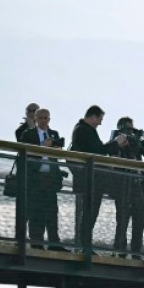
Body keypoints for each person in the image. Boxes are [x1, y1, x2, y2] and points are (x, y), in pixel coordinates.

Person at [70, 105, 128, 250]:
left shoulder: (86, 130)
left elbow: (98, 150)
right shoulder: (83, 130)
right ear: (93, 117)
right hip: (91, 180)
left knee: (90, 214)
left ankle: (85, 246)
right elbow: (97, 151)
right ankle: (84, 246)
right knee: (89, 214)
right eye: (100, 119)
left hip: (94, 180)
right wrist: (116, 143)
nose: (101, 122)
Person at [18, 108, 66, 250]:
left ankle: (54, 244)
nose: (44, 121)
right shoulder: (28, 134)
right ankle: (37, 244)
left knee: (52, 213)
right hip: (35, 178)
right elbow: (24, 154)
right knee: (36, 213)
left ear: (49, 119)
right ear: (36, 119)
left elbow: (58, 156)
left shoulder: (54, 134)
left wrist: (57, 150)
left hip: (50, 178)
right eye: (41, 118)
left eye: (46, 118)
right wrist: (42, 148)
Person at [112, 116, 144, 257]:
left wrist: (142, 140)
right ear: (121, 127)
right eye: (129, 128)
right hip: (123, 185)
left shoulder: (135, 142)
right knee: (122, 219)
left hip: (138, 185)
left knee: (139, 219)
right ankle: (119, 250)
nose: (131, 131)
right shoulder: (117, 140)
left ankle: (136, 251)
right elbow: (115, 152)